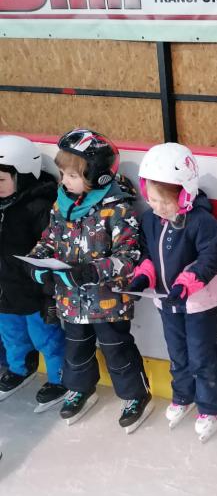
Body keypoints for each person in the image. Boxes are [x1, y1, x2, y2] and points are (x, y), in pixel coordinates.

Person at [27, 129, 153, 433]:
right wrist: (37, 262)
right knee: (76, 348)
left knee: (116, 348)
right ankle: (80, 388)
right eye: (62, 174)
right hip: (71, 300)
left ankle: (136, 394)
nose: (63, 181)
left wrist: (91, 271)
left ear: (98, 176)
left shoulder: (117, 209)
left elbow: (129, 255)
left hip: (108, 300)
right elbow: (49, 240)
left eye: (71, 175)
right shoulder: (61, 206)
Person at [128, 143, 217, 441]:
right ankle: (184, 396)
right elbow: (146, 252)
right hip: (166, 302)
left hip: (198, 303)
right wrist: (143, 277)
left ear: (184, 194)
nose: (156, 207)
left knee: (201, 356)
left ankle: (214, 408)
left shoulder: (202, 222)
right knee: (177, 353)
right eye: (151, 199)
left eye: (164, 201)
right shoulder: (150, 220)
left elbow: (212, 257)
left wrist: (186, 284)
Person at [0, 135, 66, 411]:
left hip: (34, 291)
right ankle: (20, 368)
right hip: (5, 289)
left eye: (1, 179)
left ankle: (59, 378)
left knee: (46, 338)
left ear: (24, 175)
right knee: (11, 335)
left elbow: (51, 250)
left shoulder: (38, 207)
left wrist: (50, 293)